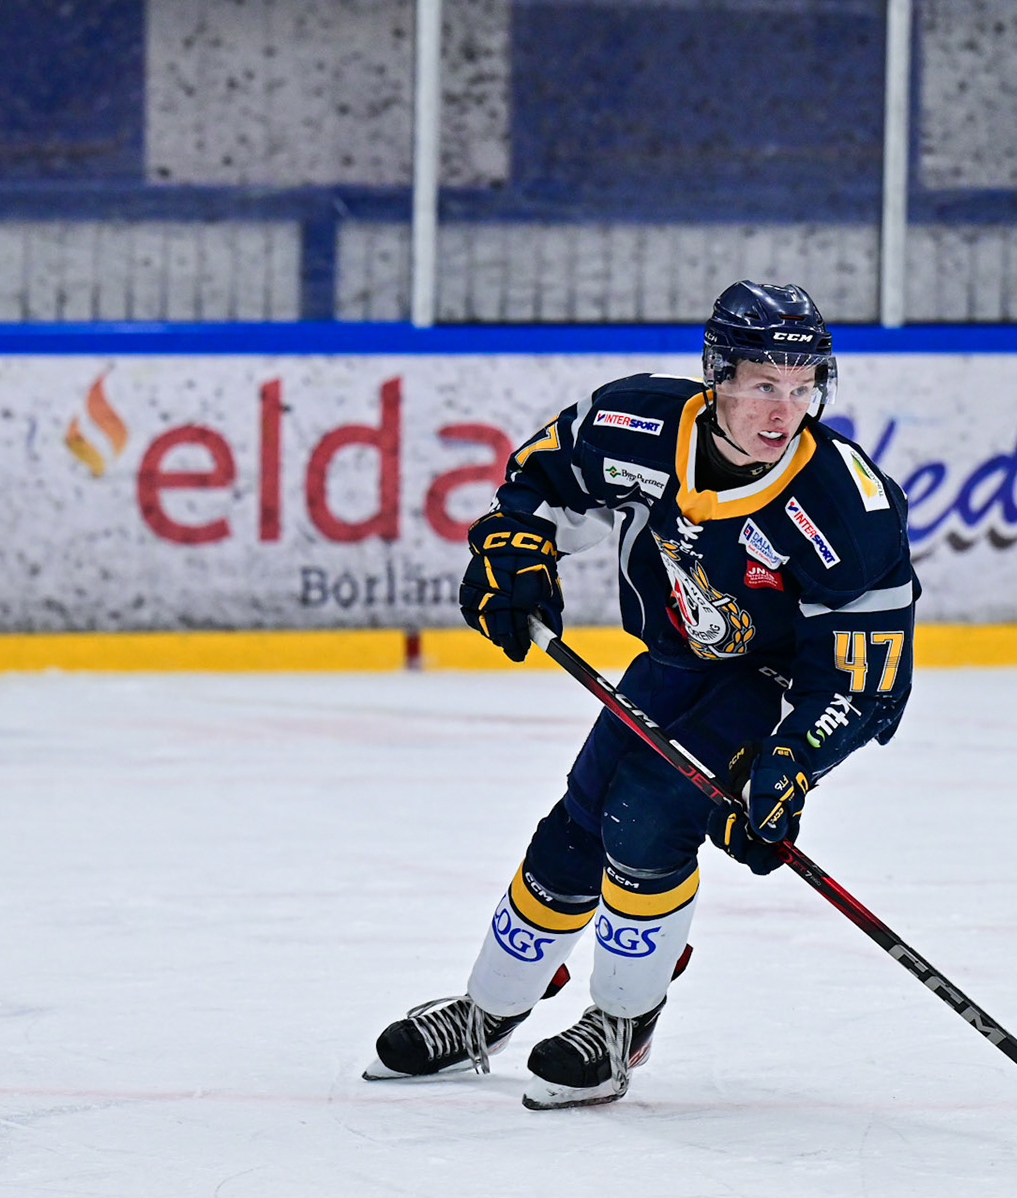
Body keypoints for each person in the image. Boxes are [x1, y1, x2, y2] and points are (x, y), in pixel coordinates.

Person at [365, 281, 918, 1108]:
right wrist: (514, 551)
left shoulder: (847, 507)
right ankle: (489, 1009)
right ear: (717, 375)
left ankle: (624, 1022)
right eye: (765, 384)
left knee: (649, 818)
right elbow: (544, 483)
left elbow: (863, 680)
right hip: (671, 655)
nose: (785, 411)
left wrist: (790, 764)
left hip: (771, 683)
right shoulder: (639, 422)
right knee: (576, 826)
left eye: (804, 388)